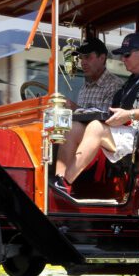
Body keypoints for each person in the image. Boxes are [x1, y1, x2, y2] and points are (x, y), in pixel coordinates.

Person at [52, 33, 139, 200]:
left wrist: (130, 114)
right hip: (125, 132)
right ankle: (58, 179)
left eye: (127, 55)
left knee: (95, 128)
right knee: (72, 128)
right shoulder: (131, 82)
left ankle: (65, 184)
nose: (123, 59)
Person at [55, 38, 123, 181]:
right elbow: (82, 117)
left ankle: (65, 180)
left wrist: (74, 108)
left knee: (73, 128)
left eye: (88, 57)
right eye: (81, 58)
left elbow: (106, 118)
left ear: (102, 58)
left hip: (105, 140)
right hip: (85, 136)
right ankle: (58, 178)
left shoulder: (115, 85)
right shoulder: (85, 86)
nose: (83, 62)